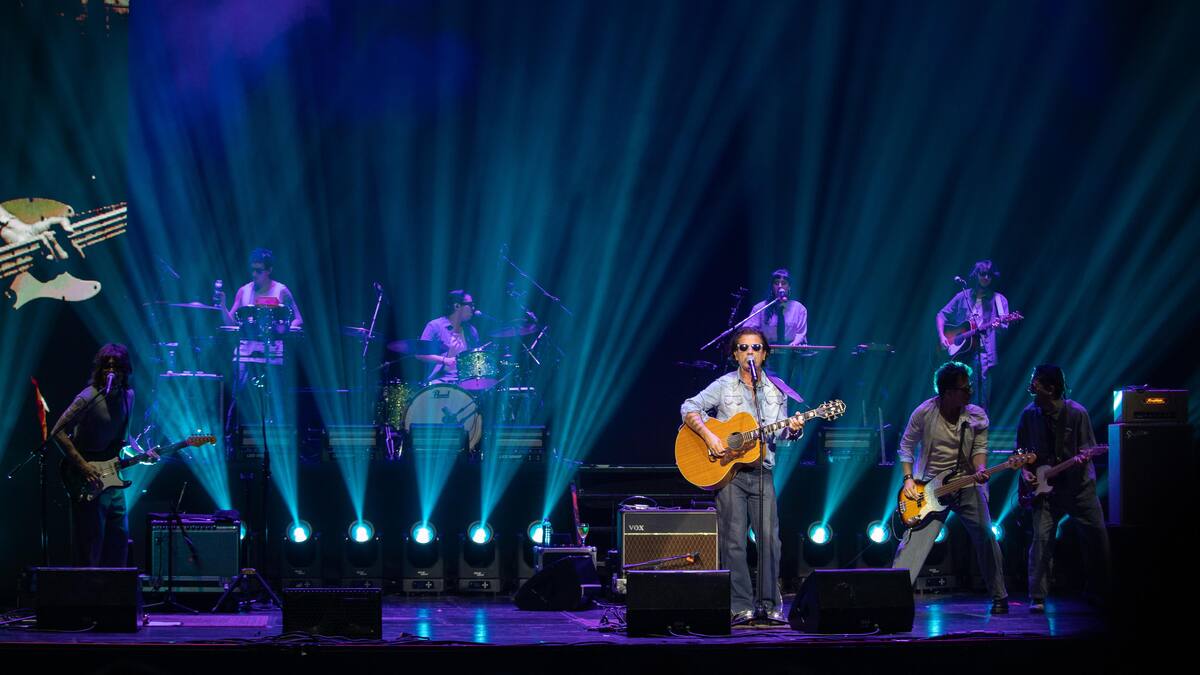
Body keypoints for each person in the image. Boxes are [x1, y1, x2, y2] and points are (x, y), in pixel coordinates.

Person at [681, 327, 805, 624]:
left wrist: (794, 429)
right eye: (744, 348)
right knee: (733, 541)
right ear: (735, 353)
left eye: (757, 348)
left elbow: (782, 434)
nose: (751, 353)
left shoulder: (777, 390)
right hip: (728, 473)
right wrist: (711, 437)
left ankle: (770, 605)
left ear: (765, 353)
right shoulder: (724, 385)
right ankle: (740, 606)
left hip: (762, 471)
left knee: (769, 541)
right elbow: (689, 407)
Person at [892, 361, 1009, 614]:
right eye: (964, 389)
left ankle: (1000, 596)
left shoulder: (976, 415)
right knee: (913, 545)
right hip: (930, 489)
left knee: (986, 536)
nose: (970, 393)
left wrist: (979, 470)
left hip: (965, 484)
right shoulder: (924, 412)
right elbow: (906, 446)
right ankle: (892, 599)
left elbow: (980, 449)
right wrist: (909, 479)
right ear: (947, 392)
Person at [51, 344, 155, 566]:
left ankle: (114, 595)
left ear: (125, 370)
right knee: (90, 543)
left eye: (116, 366)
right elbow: (57, 432)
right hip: (86, 475)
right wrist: (84, 467)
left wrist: (142, 454)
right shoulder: (88, 397)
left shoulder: (129, 396)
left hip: (112, 479)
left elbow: (123, 439)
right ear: (99, 369)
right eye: (106, 366)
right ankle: (86, 596)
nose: (111, 370)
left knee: (118, 540)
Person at [1018, 364, 1111, 612]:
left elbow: (1087, 450)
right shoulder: (1029, 414)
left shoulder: (1077, 414)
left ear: (1050, 388)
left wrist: (1080, 460)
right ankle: (1037, 596)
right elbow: (1021, 453)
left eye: (1036, 381)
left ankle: (1098, 590)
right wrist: (1025, 472)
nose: (1032, 385)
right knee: (1040, 540)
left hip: (1079, 489)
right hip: (1046, 493)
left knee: (1097, 539)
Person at [218, 248, 303, 434]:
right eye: (253, 270)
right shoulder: (244, 291)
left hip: (272, 350)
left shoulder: (281, 291)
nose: (254, 274)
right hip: (246, 350)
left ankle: (275, 436)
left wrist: (285, 330)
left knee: (274, 396)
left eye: (259, 270)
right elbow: (231, 322)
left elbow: (298, 319)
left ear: (269, 270)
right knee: (238, 393)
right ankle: (233, 434)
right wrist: (222, 305)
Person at [936, 260, 1009, 411]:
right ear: (976, 275)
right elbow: (941, 315)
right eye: (983, 274)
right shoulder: (963, 295)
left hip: (983, 355)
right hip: (960, 355)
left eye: (990, 275)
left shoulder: (999, 300)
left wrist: (998, 325)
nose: (986, 278)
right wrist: (942, 336)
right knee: (955, 393)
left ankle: (979, 430)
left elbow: (1003, 327)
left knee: (980, 399)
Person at [746, 268, 808, 391]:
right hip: (767, 357)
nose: (780, 286)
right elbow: (747, 330)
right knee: (769, 393)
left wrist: (795, 343)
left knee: (792, 393)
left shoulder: (799, 308)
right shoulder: (760, 308)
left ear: (789, 287)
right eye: (776, 283)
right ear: (772, 286)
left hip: (791, 356)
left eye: (784, 283)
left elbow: (801, 332)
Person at [417, 289, 480, 384]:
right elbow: (419, 354)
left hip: (466, 381)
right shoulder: (434, 326)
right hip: (439, 381)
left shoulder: (471, 331)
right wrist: (445, 360)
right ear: (457, 306)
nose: (473, 308)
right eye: (470, 305)